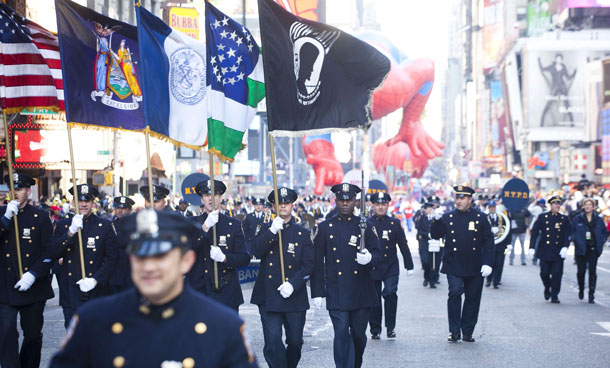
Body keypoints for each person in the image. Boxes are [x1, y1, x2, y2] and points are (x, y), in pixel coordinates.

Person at [49, 210, 256, 367]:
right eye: (140, 255)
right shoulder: (93, 321)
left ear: (186, 261)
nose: (148, 266)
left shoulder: (224, 326)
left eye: (160, 256)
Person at [311, 183, 380, 368]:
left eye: (349, 200)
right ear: (336, 200)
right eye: (341, 200)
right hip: (337, 290)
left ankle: (355, 363)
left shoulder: (366, 226)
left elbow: (380, 255)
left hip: (361, 291)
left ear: (355, 201)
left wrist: (370, 258)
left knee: (358, 335)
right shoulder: (325, 227)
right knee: (341, 332)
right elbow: (317, 262)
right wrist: (317, 292)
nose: (345, 204)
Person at [251, 187, 314, 368]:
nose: (283, 206)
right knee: (273, 342)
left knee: (295, 342)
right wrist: (271, 231)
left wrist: (293, 285)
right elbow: (255, 251)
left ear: (292, 206)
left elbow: (308, 265)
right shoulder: (264, 228)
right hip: (269, 295)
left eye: (286, 203)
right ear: (273, 206)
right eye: (280, 203)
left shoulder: (302, 233)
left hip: (294, 295)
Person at [0, 173, 54, 368]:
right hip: (5, 285)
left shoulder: (40, 217)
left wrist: (33, 274)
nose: (15, 193)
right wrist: (5, 219)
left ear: (28, 191)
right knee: (6, 332)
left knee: (32, 334)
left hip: (32, 286)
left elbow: (49, 251)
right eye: (12, 189)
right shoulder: (1, 214)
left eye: (20, 189)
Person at [430, 185, 493, 343]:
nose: (458, 201)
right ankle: (454, 330)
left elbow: (489, 241)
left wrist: (488, 263)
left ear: (470, 200)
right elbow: (435, 234)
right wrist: (436, 221)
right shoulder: (448, 217)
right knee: (455, 292)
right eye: (457, 198)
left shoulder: (480, 217)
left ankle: (467, 331)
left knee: (472, 299)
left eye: (462, 198)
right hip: (454, 264)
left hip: (475, 264)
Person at [51, 184, 118, 328]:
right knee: (73, 338)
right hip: (71, 292)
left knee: (97, 338)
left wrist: (96, 280)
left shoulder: (104, 226)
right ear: (73, 202)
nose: (83, 204)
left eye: (87, 201)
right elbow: (53, 253)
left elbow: (112, 258)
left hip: (96, 292)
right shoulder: (63, 225)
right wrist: (70, 232)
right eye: (80, 200)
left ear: (93, 203)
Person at [186, 179, 250, 311]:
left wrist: (225, 258)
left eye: (215, 195)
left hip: (226, 292)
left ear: (221, 198)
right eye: (206, 195)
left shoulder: (233, 224)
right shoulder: (191, 223)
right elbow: (186, 251)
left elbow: (244, 258)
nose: (211, 199)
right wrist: (204, 228)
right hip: (199, 291)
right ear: (202, 199)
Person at [367, 191, 414, 339]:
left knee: (390, 293)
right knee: (373, 298)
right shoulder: (366, 223)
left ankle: (390, 327)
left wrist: (409, 265)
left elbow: (403, 244)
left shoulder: (394, 223)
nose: (380, 207)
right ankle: (375, 329)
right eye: (377, 204)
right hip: (372, 265)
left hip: (390, 266)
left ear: (388, 205)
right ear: (372, 206)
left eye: (383, 204)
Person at [529, 196, 570, 303]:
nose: (557, 206)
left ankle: (554, 294)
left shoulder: (564, 219)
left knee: (557, 274)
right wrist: (532, 247)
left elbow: (567, 234)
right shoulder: (543, 217)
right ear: (550, 205)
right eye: (555, 204)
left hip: (558, 251)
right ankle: (547, 287)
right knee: (544, 273)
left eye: (558, 204)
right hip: (545, 250)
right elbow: (535, 232)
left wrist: (566, 246)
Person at [570, 198, 607, 303]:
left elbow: (604, 232)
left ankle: (591, 293)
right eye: (586, 205)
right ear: (583, 206)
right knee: (581, 272)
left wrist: (601, 241)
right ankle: (581, 288)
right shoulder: (578, 218)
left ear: (593, 207)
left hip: (593, 248)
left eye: (590, 205)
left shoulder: (598, 219)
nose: (587, 206)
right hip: (581, 248)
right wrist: (575, 239)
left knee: (592, 271)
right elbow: (572, 231)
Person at [109, 196, 135, 293]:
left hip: (130, 271)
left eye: (123, 208)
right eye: (118, 208)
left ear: (129, 210)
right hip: (114, 272)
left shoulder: (135, 225)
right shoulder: (110, 225)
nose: (120, 211)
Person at [415, 201, 442, 288]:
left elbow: (442, 228)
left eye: (427, 208)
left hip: (435, 242)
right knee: (426, 262)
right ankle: (426, 277)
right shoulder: (422, 218)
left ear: (431, 209)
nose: (425, 210)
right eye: (425, 208)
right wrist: (427, 234)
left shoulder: (437, 217)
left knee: (434, 262)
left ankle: (432, 280)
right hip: (425, 242)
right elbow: (419, 229)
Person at [486, 201, 511, 289]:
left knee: (499, 263)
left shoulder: (502, 218)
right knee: (490, 262)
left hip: (501, 244)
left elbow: (508, 230)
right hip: (489, 245)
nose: (492, 209)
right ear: (488, 208)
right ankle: (489, 279)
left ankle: (496, 281)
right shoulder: (485, 218)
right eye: (490, 207)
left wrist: (509, 243)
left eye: (493, 207)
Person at [527, 198, 547, 265]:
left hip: (536, 228)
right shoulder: (546, 210)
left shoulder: (537, 208)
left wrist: (533, 203)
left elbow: (529, 209)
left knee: (536, 243)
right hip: (544, 229)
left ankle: (535, 258)